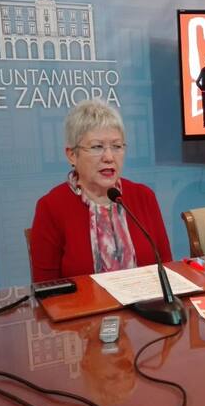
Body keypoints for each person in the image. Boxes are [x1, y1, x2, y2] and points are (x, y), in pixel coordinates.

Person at [30, 99, 171, 282]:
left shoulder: (144, 197)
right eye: (97, 147)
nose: (109, 157)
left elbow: (167, 268)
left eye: (117, 146)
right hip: (83, 302)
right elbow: (46, 288)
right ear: (72, 155)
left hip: (148, 300)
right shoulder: (51, 207)